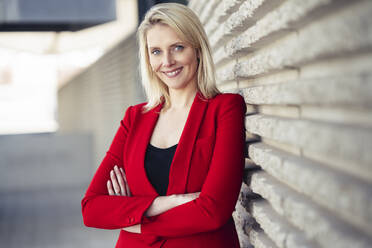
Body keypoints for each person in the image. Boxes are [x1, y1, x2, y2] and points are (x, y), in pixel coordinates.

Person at [81, 3, 246, 248]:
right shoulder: (134, 118)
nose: (167, 61)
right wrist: (165, 203)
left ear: (197, 49)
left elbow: (213, 211)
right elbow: (91, 208)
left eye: (177, 47)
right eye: (156, 51)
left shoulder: (225, 109)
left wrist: (133, 219)